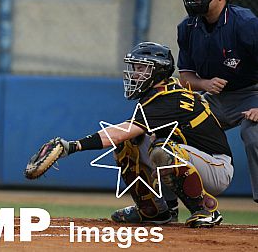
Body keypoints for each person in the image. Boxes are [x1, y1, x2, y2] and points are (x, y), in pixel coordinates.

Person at [29, 42, 233, 228]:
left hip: (216, 167)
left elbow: (117, 133)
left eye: (142, 68)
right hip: (191, 159)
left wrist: (72, 146)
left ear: (159, 71)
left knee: (162, 150)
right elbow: (125, 135)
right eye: (135, 68)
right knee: (130, 145)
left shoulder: (169, 98)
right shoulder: (156, 95)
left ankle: (205, 210)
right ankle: (154, 210)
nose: (135, 74)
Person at [177, 0, 258, 203]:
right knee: (178, 132)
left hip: (252, 92)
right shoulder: (188, 28)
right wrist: (204, 83)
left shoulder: (245, 23)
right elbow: (185, 79)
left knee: (253, 133)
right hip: (215, 99)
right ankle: (172, 204)